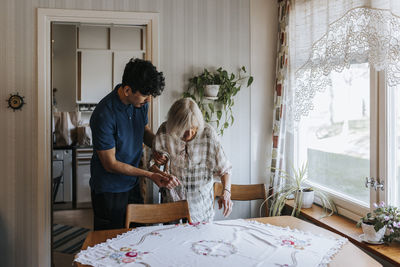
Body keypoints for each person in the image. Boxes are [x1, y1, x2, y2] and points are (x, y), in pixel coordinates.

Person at [90, 58, 179, 230]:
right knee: (111, 242)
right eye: (145, 95)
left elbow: (143, 131)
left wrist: (160, 147)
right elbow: (110, 164)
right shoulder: (104, 114)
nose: (148, 100)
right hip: (110, 189)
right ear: (127, 90)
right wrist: (149, 174)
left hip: (132, 184)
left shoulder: (139, 104)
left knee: (135, 235)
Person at [150, 98, 233, 222]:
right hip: (172, 206)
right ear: (173, 125)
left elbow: (225, 169)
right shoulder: (165, 131)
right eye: (182, 130)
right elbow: (152, 166)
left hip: (201, 209)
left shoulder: (208, 134)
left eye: (193, 129)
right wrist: (162, 174)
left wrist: (226, 192)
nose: (188, 134)